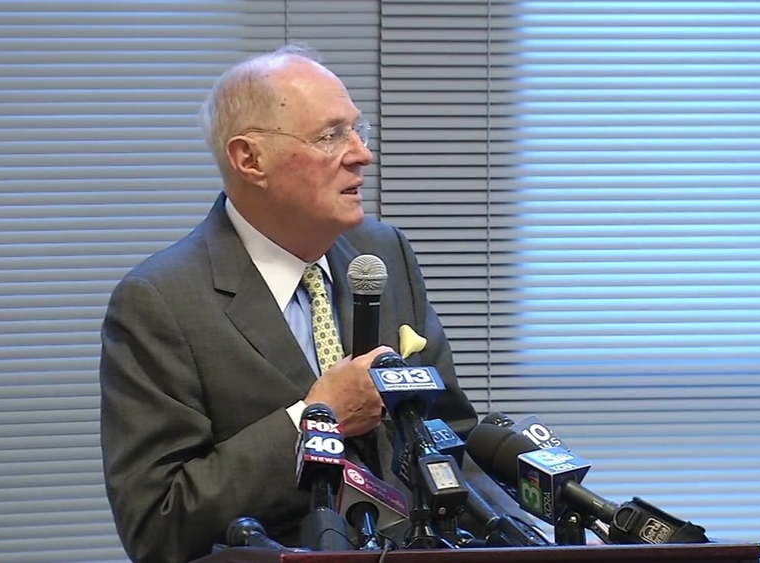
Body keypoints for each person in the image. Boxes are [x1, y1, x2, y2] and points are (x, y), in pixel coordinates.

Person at [99, 44, 478, 563]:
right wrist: (317, 420)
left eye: (357, 130)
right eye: (330, 136)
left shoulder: (383, 254)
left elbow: (453, 439)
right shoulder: (160, 302)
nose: (361, 154)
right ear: (249, 159)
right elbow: (158, 524)